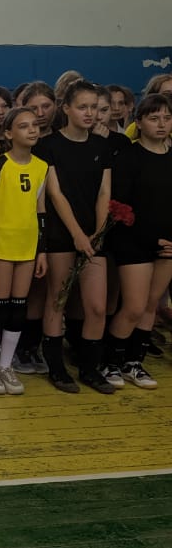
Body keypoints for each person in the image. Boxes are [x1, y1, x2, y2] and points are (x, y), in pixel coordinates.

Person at [38, 78, 113, 394]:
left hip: (93, 236)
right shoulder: (49, 146)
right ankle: (56, 367)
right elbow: (55, 194)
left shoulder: (102, 147)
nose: (89, 113)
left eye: (94, 107)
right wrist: (78, 235)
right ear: (66, 108)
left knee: (96, 306)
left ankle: (90, 368)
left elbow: (104, 193)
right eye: (83, 107)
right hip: (62, 233)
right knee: (58, 299)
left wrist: (98, 233)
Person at [0, 107, 48, 395]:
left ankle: (6, 365)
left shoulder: (42, 167)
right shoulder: (0, 165)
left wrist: (42, 251)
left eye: (34, 125)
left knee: (18, 307)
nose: (32, 130)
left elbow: (41, 212)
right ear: (8, 133)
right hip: (1, 245)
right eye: (23, 126)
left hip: (27, 247)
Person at [104, 94, 172, 388]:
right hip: (134, 241)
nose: (162, 124)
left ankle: (134, 362)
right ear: (140, 122)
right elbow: (120, 206)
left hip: (168, 245)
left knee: (151, 305)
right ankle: (110, 362)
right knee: (133, 306)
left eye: (167, 118)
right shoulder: (128, 157)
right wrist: (151, 238)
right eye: (154, 118)